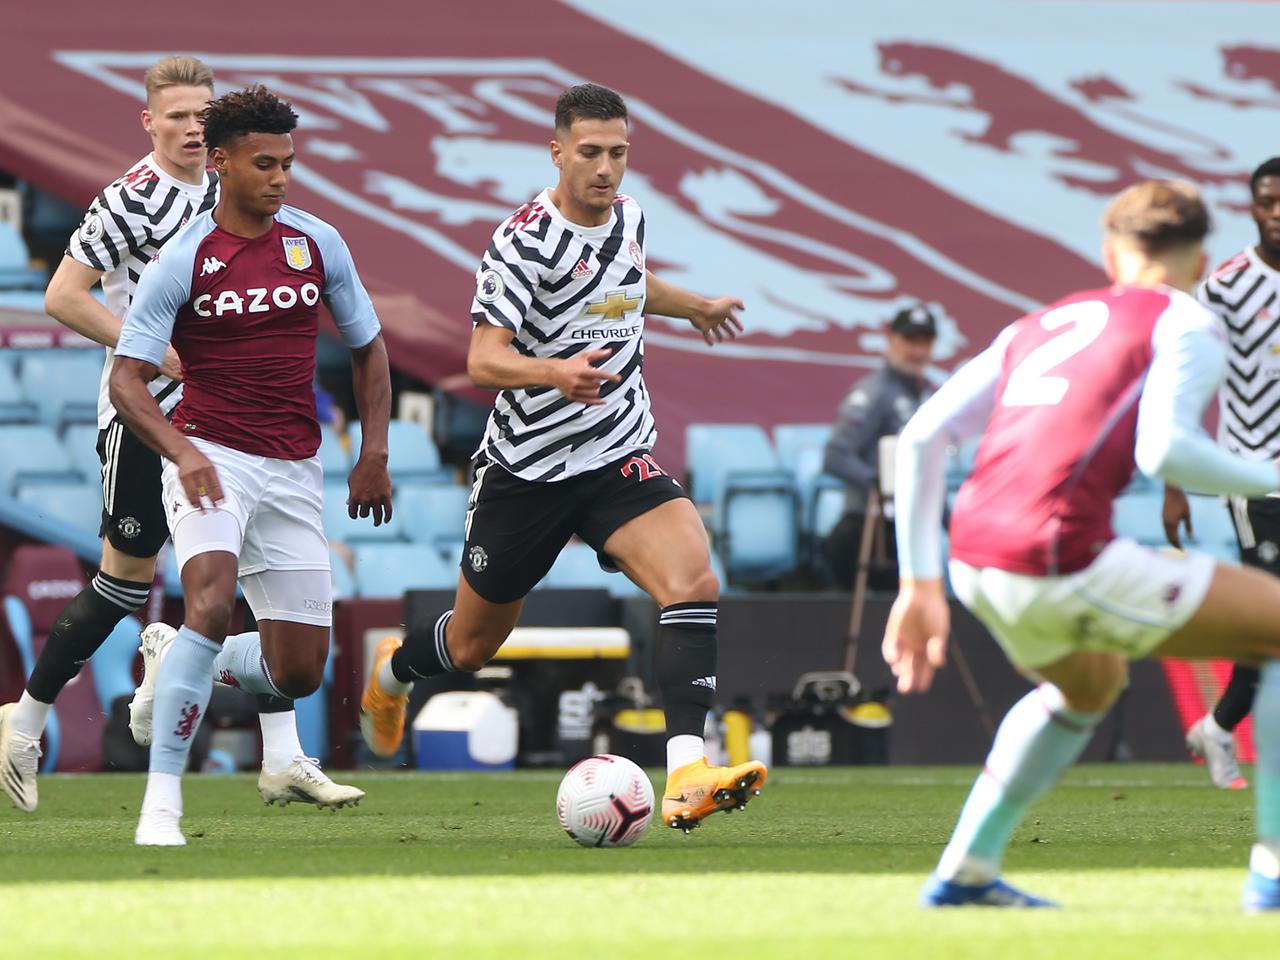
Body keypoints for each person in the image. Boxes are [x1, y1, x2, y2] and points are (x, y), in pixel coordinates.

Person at [357, 82, 766, 832]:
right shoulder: (522, 243)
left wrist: (695, 306)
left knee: (693, 580)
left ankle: (687, 772)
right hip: (528, 472)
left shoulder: (630, 217)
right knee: (473, 645)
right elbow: (483, 359)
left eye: (619, 153)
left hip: (615, 456)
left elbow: (626, 283)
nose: (606, 168)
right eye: (590, 153)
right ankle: (394, 669)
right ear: (557, 152)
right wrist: (554, 373)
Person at [883, 179, 1280, 911]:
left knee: (1086, 687)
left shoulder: (1039, 323)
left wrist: (920, 584)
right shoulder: (1186, 320)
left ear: (1110, 255)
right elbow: (1166, 452)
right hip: (1058, 554)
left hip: (974, 559)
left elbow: (920, 438)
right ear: (1200, 261)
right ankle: (1276, 873)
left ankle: (966, 873)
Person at [0, 57, 361, 814]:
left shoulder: (236, 190)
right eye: (177, 116)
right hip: (149, 418)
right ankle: (24, 722)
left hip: (237, 419)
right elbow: (63, 295)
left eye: (202, 114)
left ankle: (283, 756)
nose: (192, 128)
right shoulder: (131, 199)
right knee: (122, 585)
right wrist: (150, 348)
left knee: (258, 577)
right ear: (149, 122)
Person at [109, 85, 392, 845]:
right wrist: (182, 453)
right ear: (222, 163)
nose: (280, 178)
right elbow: (127, 381)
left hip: (295, 467)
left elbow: (369, 348)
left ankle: (174, 657)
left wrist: (373, 451)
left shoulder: (318, 243)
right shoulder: (183, 259)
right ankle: (161, 807)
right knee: (208, 604)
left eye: (287, 164)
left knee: (297, 672)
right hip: (213, 455)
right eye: (264, 164)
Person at [1163, 157, 1280, 790]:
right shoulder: (1226, 288)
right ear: (1253, 207)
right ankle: (1224, 726)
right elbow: (1178, 386)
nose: (1278, 213)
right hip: (1256, 479)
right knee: (1274, 616)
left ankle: (1218, 727)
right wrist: (1173, 484)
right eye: (1268, 201)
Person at [820, 305, 936, 588]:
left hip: (909, 526)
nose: (917, 351)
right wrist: (882, 485)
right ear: (891, 340)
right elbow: (835, 455)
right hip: (868, 530)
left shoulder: (927, 394)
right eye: (910, 341)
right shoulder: (874, 393)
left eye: (925, 342)